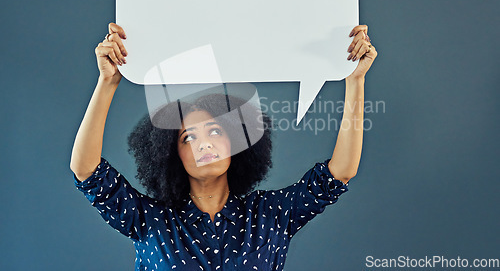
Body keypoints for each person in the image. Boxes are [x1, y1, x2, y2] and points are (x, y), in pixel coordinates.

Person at [70, 23, 377, 271]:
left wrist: (355, 80)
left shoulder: (270, 215)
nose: (203, 142)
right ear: (171, 155)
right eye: (188, 137)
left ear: (236, 142)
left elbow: (339, 174)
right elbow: (86, 172)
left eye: (214, 131)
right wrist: (107, 82)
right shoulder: (151, 221)